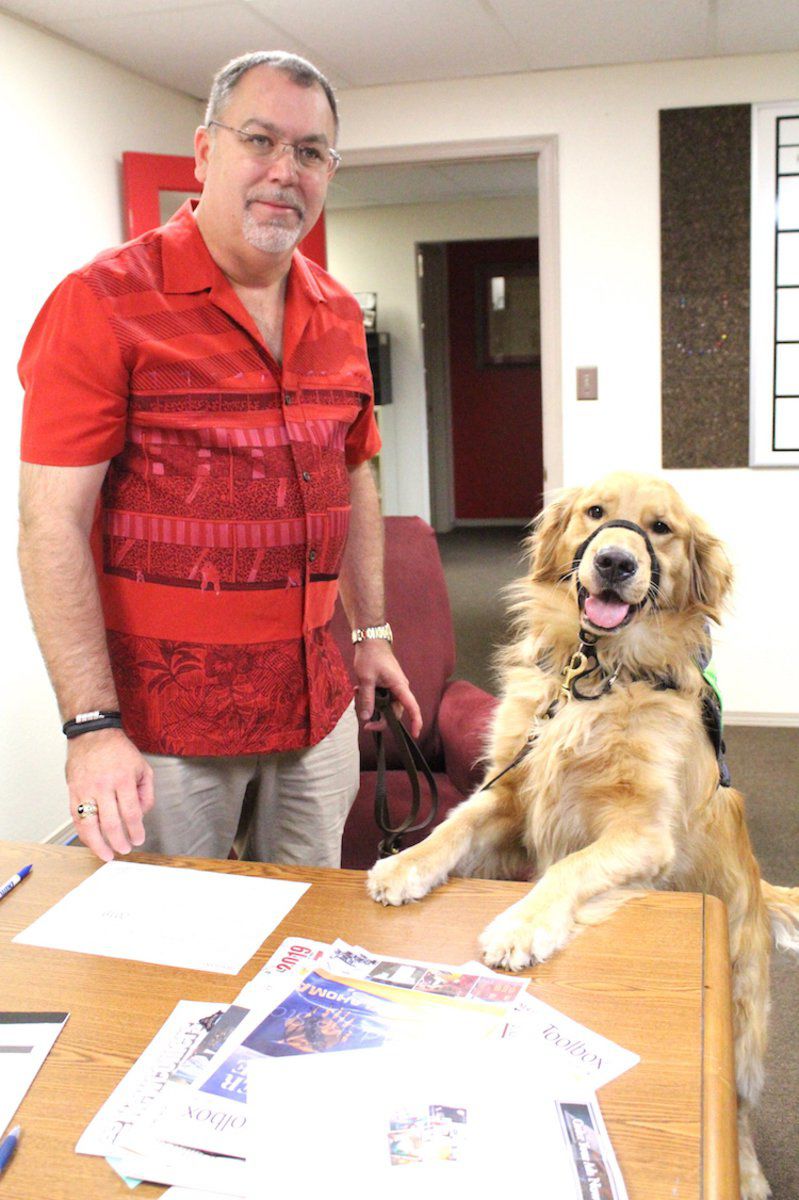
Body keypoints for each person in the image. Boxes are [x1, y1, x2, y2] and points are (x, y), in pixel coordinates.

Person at [17, 50, 421, 868]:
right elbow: (49, 524)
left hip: (314, 707)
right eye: (261, 140)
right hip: (164, 727)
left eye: (310, 153)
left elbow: (352, 476)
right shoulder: (100, 304)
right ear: (205, 152)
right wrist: (91, 727)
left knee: (305, 939)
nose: (285, 171)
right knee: (166, 953)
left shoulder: (338, 314)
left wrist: (371, 629)